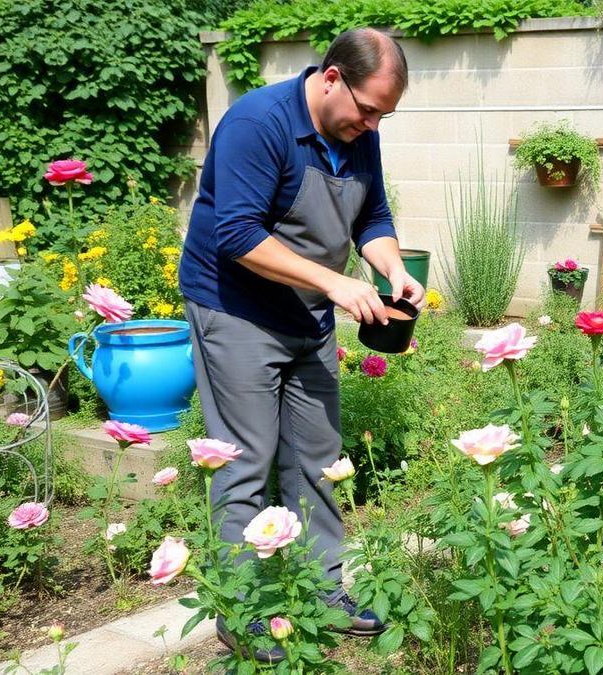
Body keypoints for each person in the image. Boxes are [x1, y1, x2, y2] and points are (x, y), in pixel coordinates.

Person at [178, 28, 424, 660]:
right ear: (333, 77)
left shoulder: (358, 135)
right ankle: (241, 609)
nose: (372, 126)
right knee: (244, 461)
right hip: (236, 313)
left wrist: (391, 269)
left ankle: (322, 593)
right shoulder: (257, 123)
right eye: (368, 110)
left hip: (308, 316)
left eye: (383, 116)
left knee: (317, 457)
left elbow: (373, 218)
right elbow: (235, 232)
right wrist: (336, 283)